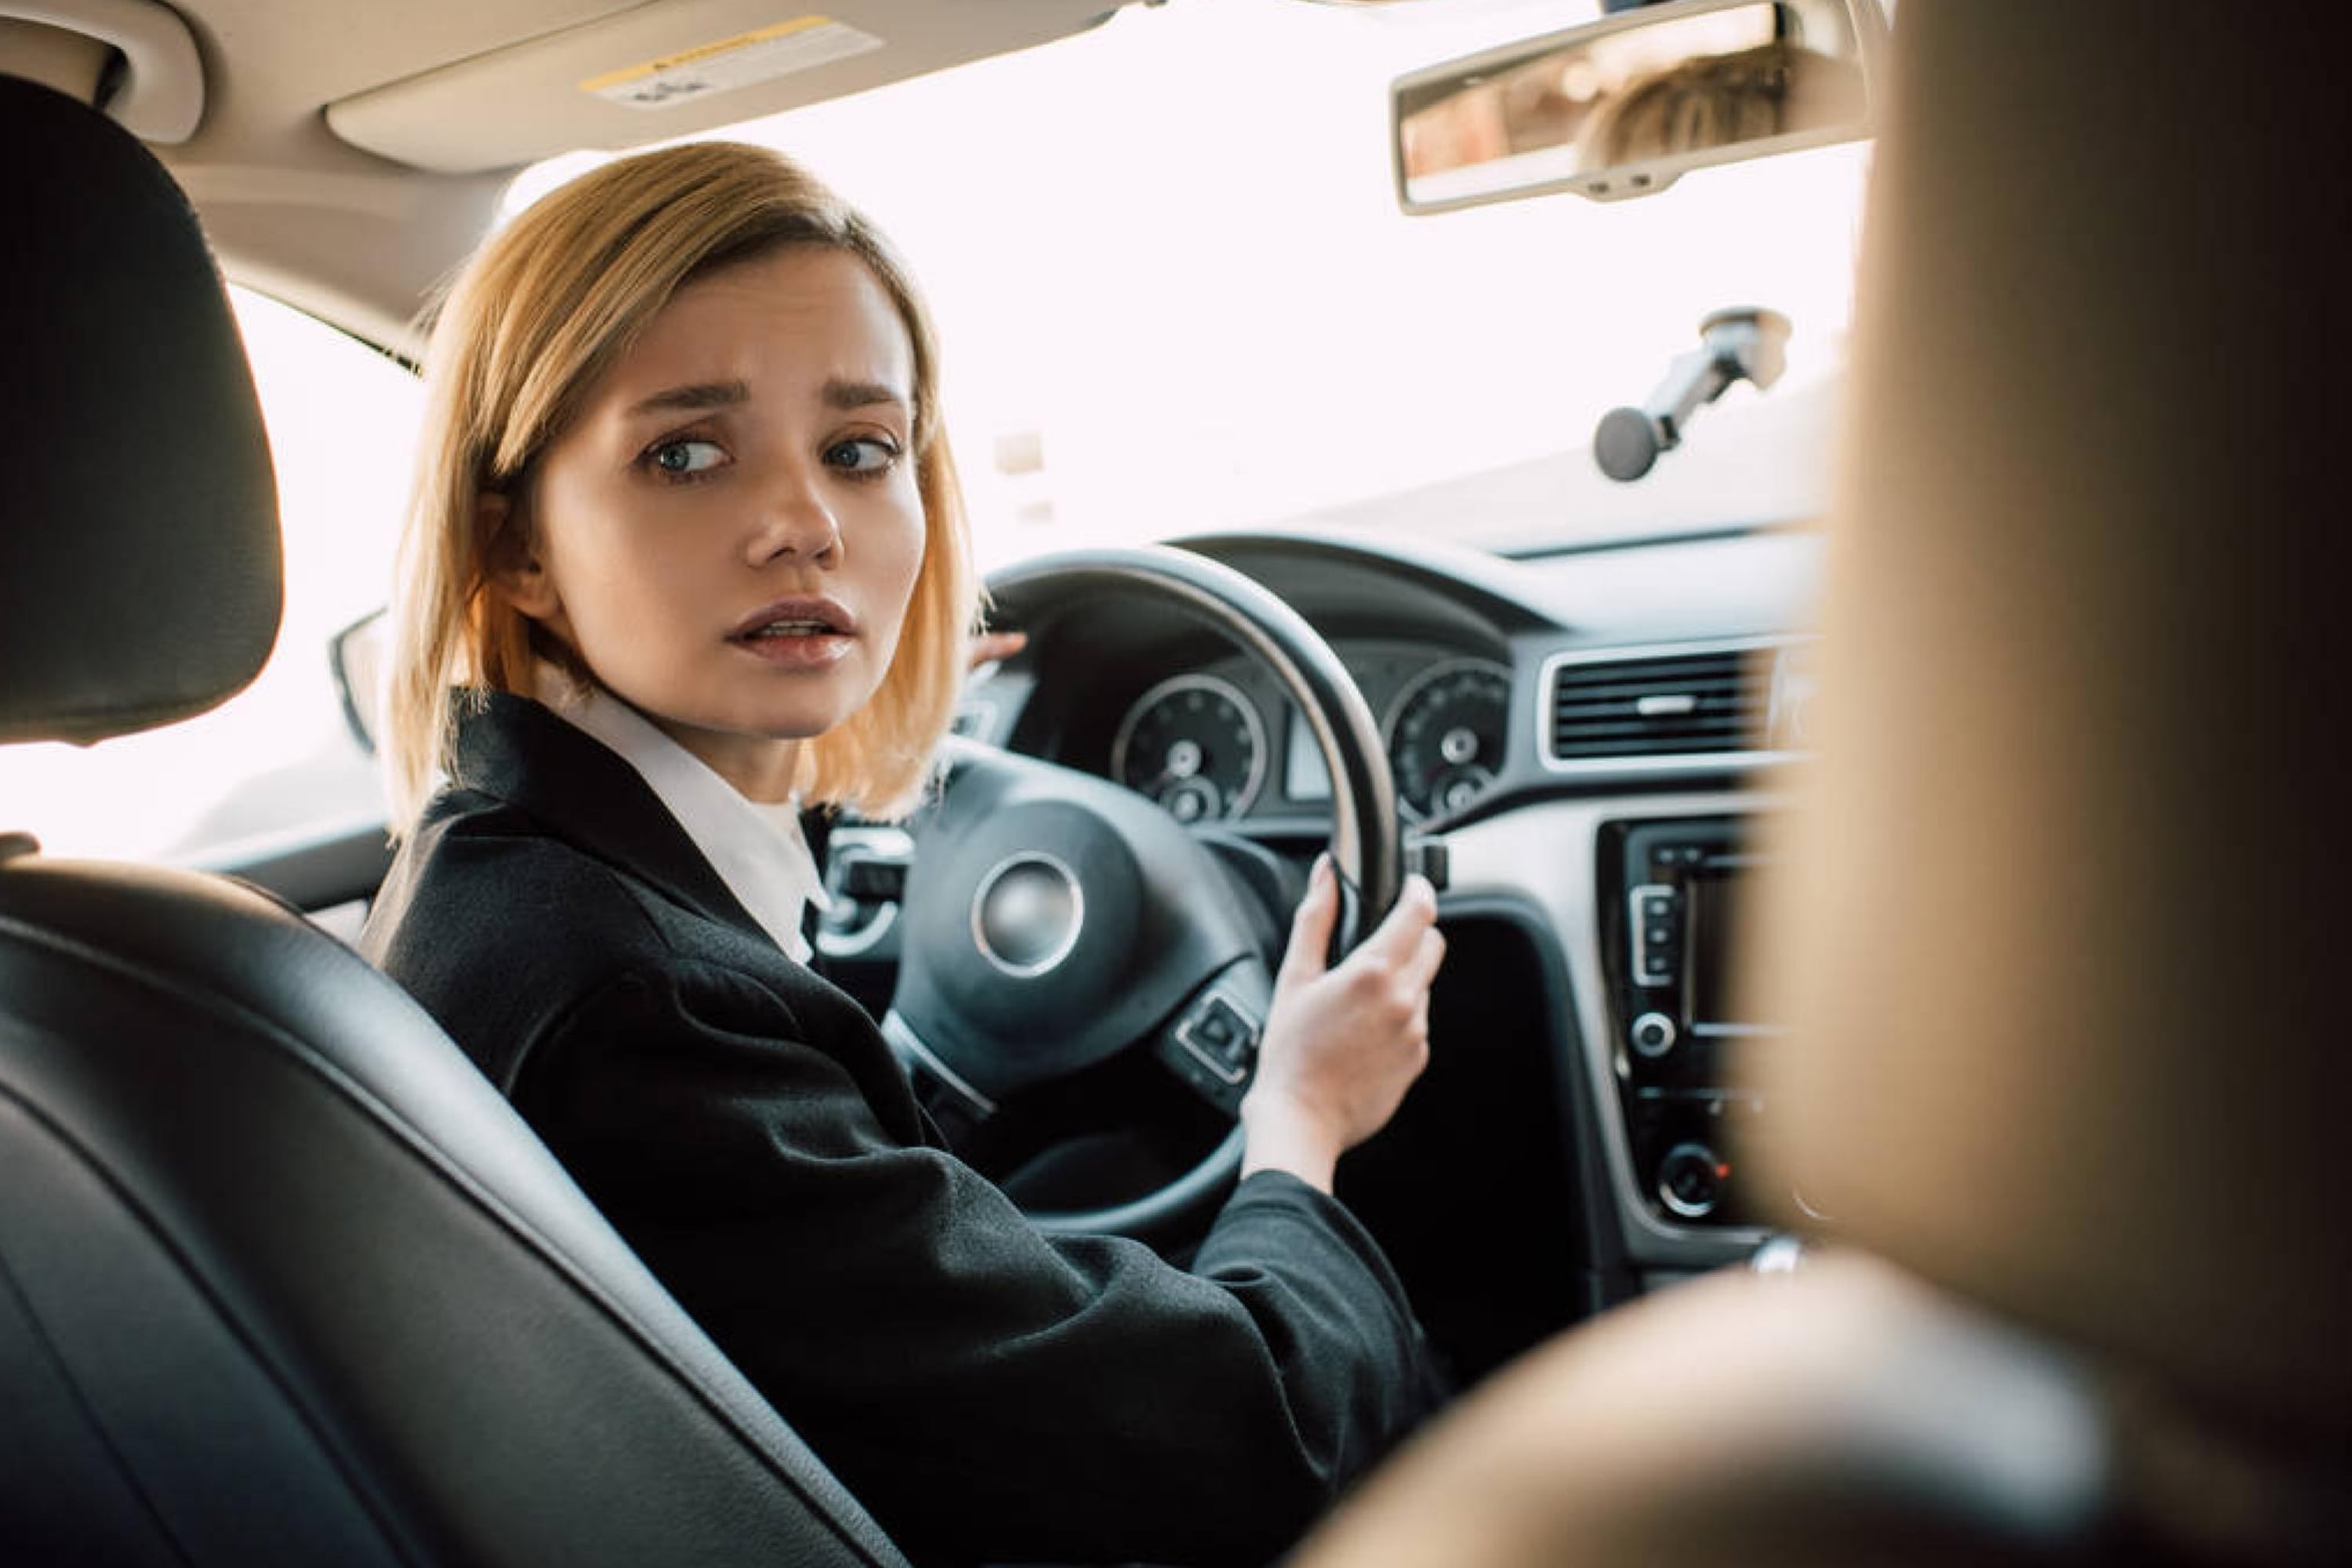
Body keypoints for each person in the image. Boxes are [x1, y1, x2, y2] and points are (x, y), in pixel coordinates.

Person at [358, 140, 1447, 1567]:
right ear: (514, 548)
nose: (805, 523)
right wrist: (1297, 1124)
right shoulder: (638, 1005)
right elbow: (1254, 1438)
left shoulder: (513, 878)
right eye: (684, 453)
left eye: (862, 450)